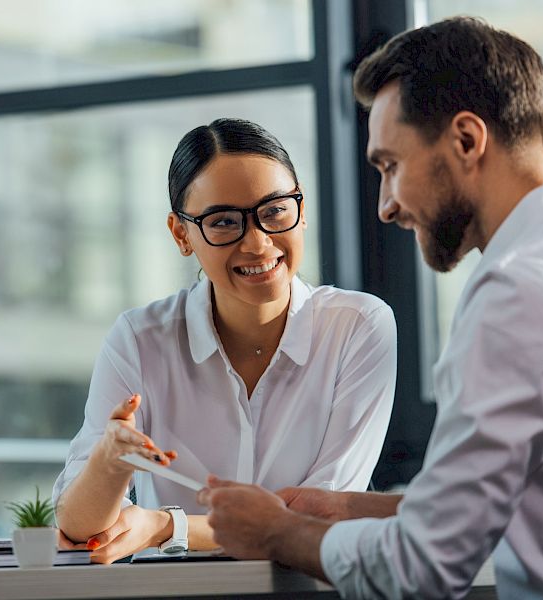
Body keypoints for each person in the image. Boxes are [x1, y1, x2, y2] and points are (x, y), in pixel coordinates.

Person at [198, 16, 543, 600]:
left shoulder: (520, 293)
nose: (386, 207)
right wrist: (347, 508)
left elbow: (420, 567)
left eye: (391, 166)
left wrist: (277, 532)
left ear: (467, 140)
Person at [52, 118, 397, 563]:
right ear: (181, 234)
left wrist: (167, 526)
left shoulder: (359, 326)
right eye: (224, 222)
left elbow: (323, 513)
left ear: (302, 208)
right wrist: (109, 462)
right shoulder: (139, 339)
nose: (257, 243)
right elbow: (78, 528)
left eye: (275, 211)